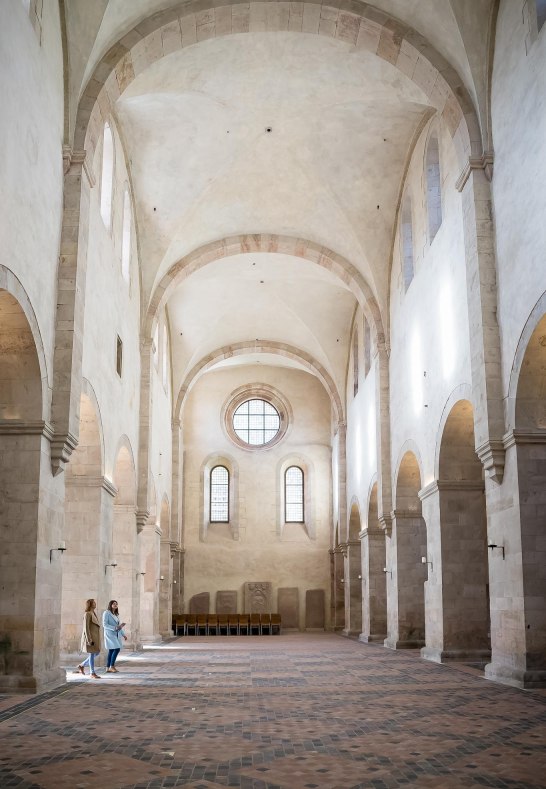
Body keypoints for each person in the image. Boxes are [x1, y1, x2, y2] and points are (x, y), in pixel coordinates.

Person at [76, 598, 102, 679]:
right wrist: (89, 640)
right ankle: (92, 673)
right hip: (91, 638)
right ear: (90, 604)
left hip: (95, 637)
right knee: (92, 654)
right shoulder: (87, 614)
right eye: (94, 603)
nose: (95, 604)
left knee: (97, 652)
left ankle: (82, 665)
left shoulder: (93, 613)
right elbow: (86, 628)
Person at [102, 599, 127, 673]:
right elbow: (105, 625)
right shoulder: (106, 613)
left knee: (111, 650)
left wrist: (123, 635)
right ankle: (112, 666)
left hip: (116, 634)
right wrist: (114, 628)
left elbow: (118, 626)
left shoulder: (116, 614)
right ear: (110, 605)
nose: (115, 605)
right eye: (114, 604)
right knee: (117, 649)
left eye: (116, 604)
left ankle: (107, 667)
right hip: (110, 634)